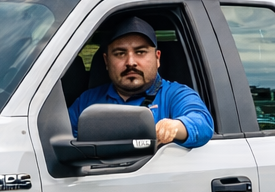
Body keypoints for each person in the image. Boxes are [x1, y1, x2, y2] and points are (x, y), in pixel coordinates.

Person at [68, 16, 214, 149]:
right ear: (106, 61)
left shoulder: (175, 94)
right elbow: (59, 137)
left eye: (140, 52)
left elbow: (202, 122)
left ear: (157, 58)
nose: (131, 62)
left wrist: (176, 126)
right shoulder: (87, 101)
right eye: (120, 53)